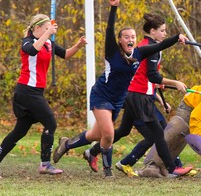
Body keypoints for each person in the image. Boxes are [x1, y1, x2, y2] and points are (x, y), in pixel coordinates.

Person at [53, 0, 188, 178]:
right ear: (120, 41)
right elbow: (110, 29)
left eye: (132, 36)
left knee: (96, 134)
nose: (130, 39)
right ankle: (108, 172)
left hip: (119, 99)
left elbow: (161, 45)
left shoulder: (140, 53)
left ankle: (67, 144)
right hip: (101, 95)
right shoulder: (112, 51)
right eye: (126, 37)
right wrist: (113, 8)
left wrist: (177, 37)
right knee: (108, 134)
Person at [82, 13, 192, 177]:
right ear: (152, 31)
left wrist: (177, 38)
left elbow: (151, 74)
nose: (164, 34)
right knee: (158, 133)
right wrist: (174, 83)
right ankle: (171, 168)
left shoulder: (144, 47)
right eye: (162, 31)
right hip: (140, 97)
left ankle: (93, 151)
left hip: (133, 95)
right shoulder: (145, 49)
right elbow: (152, 76)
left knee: (124, 131)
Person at [0, 14, 87, 179]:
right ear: (36, 28)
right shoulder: (28, 41)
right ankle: (45, 164)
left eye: (49, 29)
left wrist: (79, 45)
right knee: (50, 122)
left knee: (20, 130)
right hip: (26, 90)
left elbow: (66, 54)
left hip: (36, 91)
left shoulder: (48, 43)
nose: (49, 32)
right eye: (45, 29)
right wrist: (48, 33)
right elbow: (32, 51)